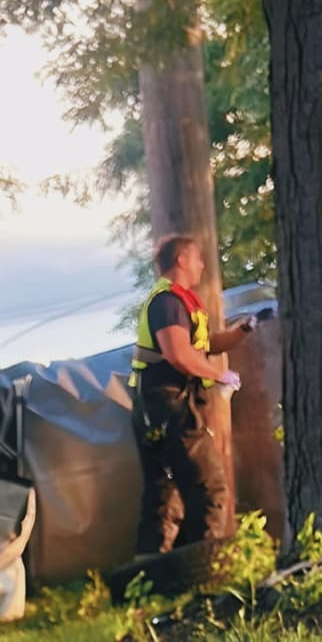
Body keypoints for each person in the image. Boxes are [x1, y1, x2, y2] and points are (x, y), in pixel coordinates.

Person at [129, 233, 255, 556]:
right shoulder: (168, 302)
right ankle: (208, 572)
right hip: (170, 409)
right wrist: (220, 374)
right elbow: (180, 355)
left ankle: (151, 578)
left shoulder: (178, 304)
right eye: (198, 258)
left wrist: (242, 331)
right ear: (181, 260)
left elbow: (205, 345)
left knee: (165, 496)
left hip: (161, 410)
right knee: (210, 487)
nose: (202, 265)